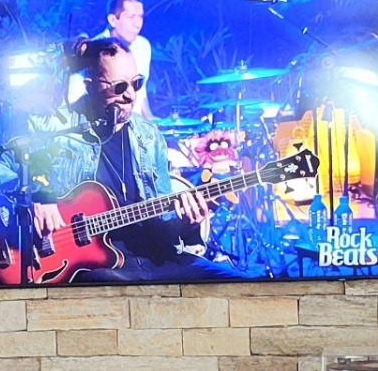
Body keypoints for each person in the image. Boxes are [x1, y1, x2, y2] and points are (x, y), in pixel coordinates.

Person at [25, 40, 233, 283]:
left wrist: (188, 223)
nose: (130, 95)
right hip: (95, 267)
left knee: (235, 281)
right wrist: (39, 194)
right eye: (120, 86)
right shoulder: (57, 128)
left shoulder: (149, 136)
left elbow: (164, 225)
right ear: (90, 86)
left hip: (156, 259)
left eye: (137, 83)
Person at [66, 0, 153, 112]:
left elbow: (141, 92)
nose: (138, 24)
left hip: (133, 122)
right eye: (131, 17)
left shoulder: (143, 46)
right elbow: (74, 95)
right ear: (113, 20)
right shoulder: (94, 51)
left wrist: (150, 119)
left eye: (141, 17)